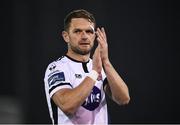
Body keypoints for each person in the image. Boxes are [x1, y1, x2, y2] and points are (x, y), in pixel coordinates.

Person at [44, 9, 130, 124]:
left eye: (89, 31)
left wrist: (106, 61)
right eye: (77, 31)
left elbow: (123, 99)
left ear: (95, 36)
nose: (84, 36)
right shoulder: (57, 68)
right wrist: (94, 72)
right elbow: (68, 106)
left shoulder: (99, 65)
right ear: (66, 36)